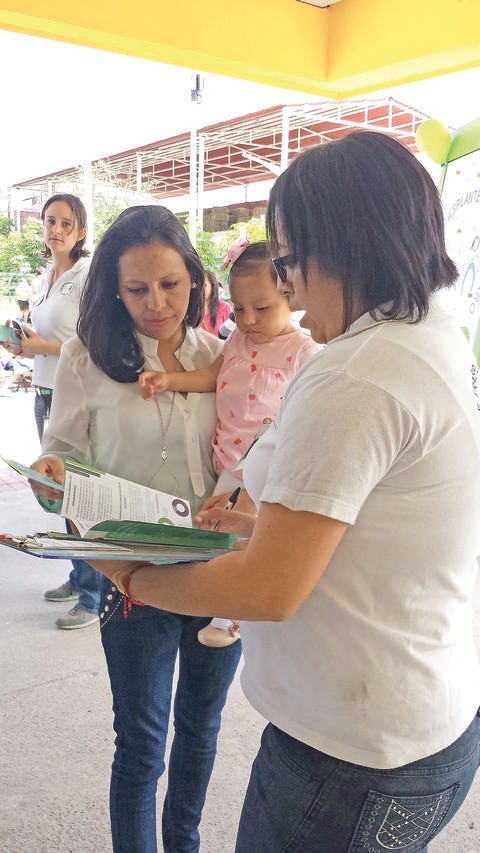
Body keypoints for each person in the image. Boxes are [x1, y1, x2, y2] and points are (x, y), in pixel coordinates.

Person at [85, 131, 480, 853]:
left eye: (292, 261)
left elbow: (267, 589)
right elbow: (350, 522)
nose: (287, 287)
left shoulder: (354, 371)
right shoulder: (430, 333)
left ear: (344, 243)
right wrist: (242, 522)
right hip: (428, 725)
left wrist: (130, 573)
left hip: (349, 755)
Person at [28, 204, 242, 853]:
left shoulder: (223, 356)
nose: (157, 302)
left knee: (202, 732)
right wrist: (50, 473)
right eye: (138, 288)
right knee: (142, 743)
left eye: (171, 284)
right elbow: (62, 456)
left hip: (217, 576)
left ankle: (185, 841)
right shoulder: (85, 358)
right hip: (132, 577)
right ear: (113, 291)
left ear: (195, 279)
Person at [140, 239, 320, 646]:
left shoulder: (304, 352)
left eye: (262, 308)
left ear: (291, 298)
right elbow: (210, 377)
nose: (248, 320)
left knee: (243, 533)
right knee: (218, 526)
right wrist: (170, 381)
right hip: (228, 460)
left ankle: (227, 619)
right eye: (238, 309)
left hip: (267, 464)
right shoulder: (236, 340)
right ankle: (221, 602)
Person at [4, 193, 101, 630]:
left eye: (66, 222)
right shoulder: (47, 277)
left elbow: (93, 343)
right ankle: (79, 573)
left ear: (81, 231)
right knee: (58, 487)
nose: (56, 229)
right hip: (44, 390)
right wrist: (21, 345)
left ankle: (94, 592)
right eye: (49, 221)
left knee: (80, 492)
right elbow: (44, 339)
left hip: (75, 394)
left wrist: (41, 347)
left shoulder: (86, 276)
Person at [200, 269, 231, 336]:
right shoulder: (191, 311)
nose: (200, 289)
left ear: (212, 286)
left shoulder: (224, 307)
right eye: (198, 286)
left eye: (204, 285)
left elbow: (232, 336)